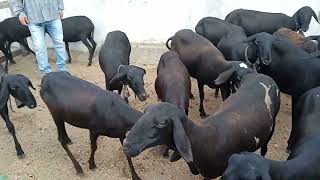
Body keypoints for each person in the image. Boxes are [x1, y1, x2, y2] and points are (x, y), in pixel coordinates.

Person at [10, 0, 68, 76]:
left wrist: (60, 7)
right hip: (33, 18)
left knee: (59, 43)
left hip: (53, 14)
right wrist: (20, 13)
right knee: (39, 47)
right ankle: (46, 74)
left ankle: (62, 70)